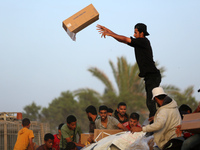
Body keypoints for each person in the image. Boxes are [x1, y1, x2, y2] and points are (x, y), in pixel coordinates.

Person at [97, 23, 161, 118]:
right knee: (150, 102)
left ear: (141, 33)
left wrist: (110, 34)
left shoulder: (143, 41)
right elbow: (122, 39)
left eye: (135, 32)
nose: (134, 35)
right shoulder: (138, 43)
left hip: (153, 76)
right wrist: (109, 31)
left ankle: (156, 120)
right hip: (149, 77)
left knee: (151, 102)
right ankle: (155, 118)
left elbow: (124, 39)